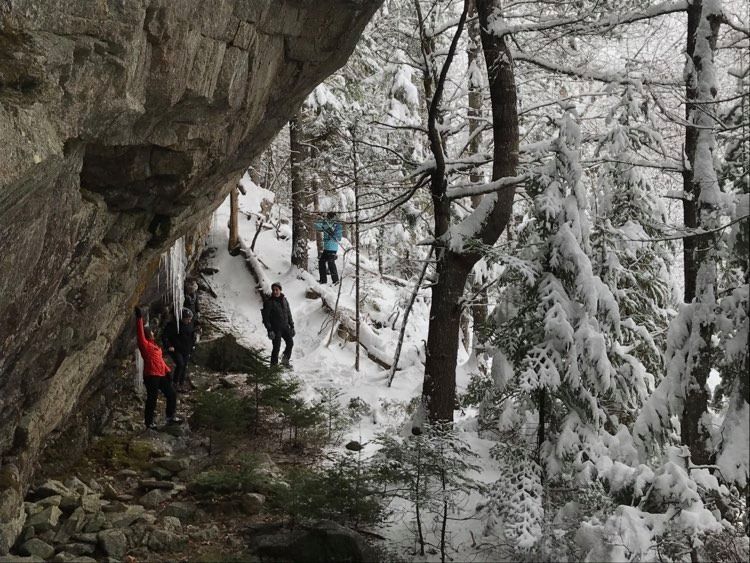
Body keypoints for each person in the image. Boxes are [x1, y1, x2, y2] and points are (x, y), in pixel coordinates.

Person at [134, 306, 181, 429]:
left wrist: (167, 371)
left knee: (171, 394)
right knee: (152, 399)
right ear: (148, 335)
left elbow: (160, 361)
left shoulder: (156, 347)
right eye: (151, 332)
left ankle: (170, 417)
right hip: (151, 376)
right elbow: (139, 334)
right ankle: (149, 423)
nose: (153, 333)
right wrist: (139, 319)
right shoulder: (145, 345)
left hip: (161, 374)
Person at [162, 308, 196, 392]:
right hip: (176, 349)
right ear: (182, 318)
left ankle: (181, 383)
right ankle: (175, 383)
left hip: (186, 349)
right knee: (180, 364)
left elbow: (192, 335)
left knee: (184, 366)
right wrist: (169, 346)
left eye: (190, 319)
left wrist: (193, 345)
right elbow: (165, 336)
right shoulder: (173, 325)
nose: (189, 321)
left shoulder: (190, 324)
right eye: (187, 319)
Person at [261, 282, 295, 367]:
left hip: (285, 327)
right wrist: (269, 330)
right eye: (273, 290)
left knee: (290, 343)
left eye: (277, 290)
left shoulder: (284, 300)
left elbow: (288, 313)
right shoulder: (269, 302)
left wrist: (292, 326)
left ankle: (285, 360)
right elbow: (266, 318)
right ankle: (273, 366)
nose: (275, 291)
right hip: (275, 329)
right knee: (276, 347)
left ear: (280, 290)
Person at [313, 212, 343, 285]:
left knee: (331, 263)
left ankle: (336, 281)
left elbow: (339, 238)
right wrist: (320, 219)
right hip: (326, 248)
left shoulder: (337, 225)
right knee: (321, 262)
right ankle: (323, 280)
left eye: (329, 217)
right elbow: (316, 226)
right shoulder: (326, 222)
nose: (328, 218)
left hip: (332, 248)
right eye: (327, 217)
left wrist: (333, 233)